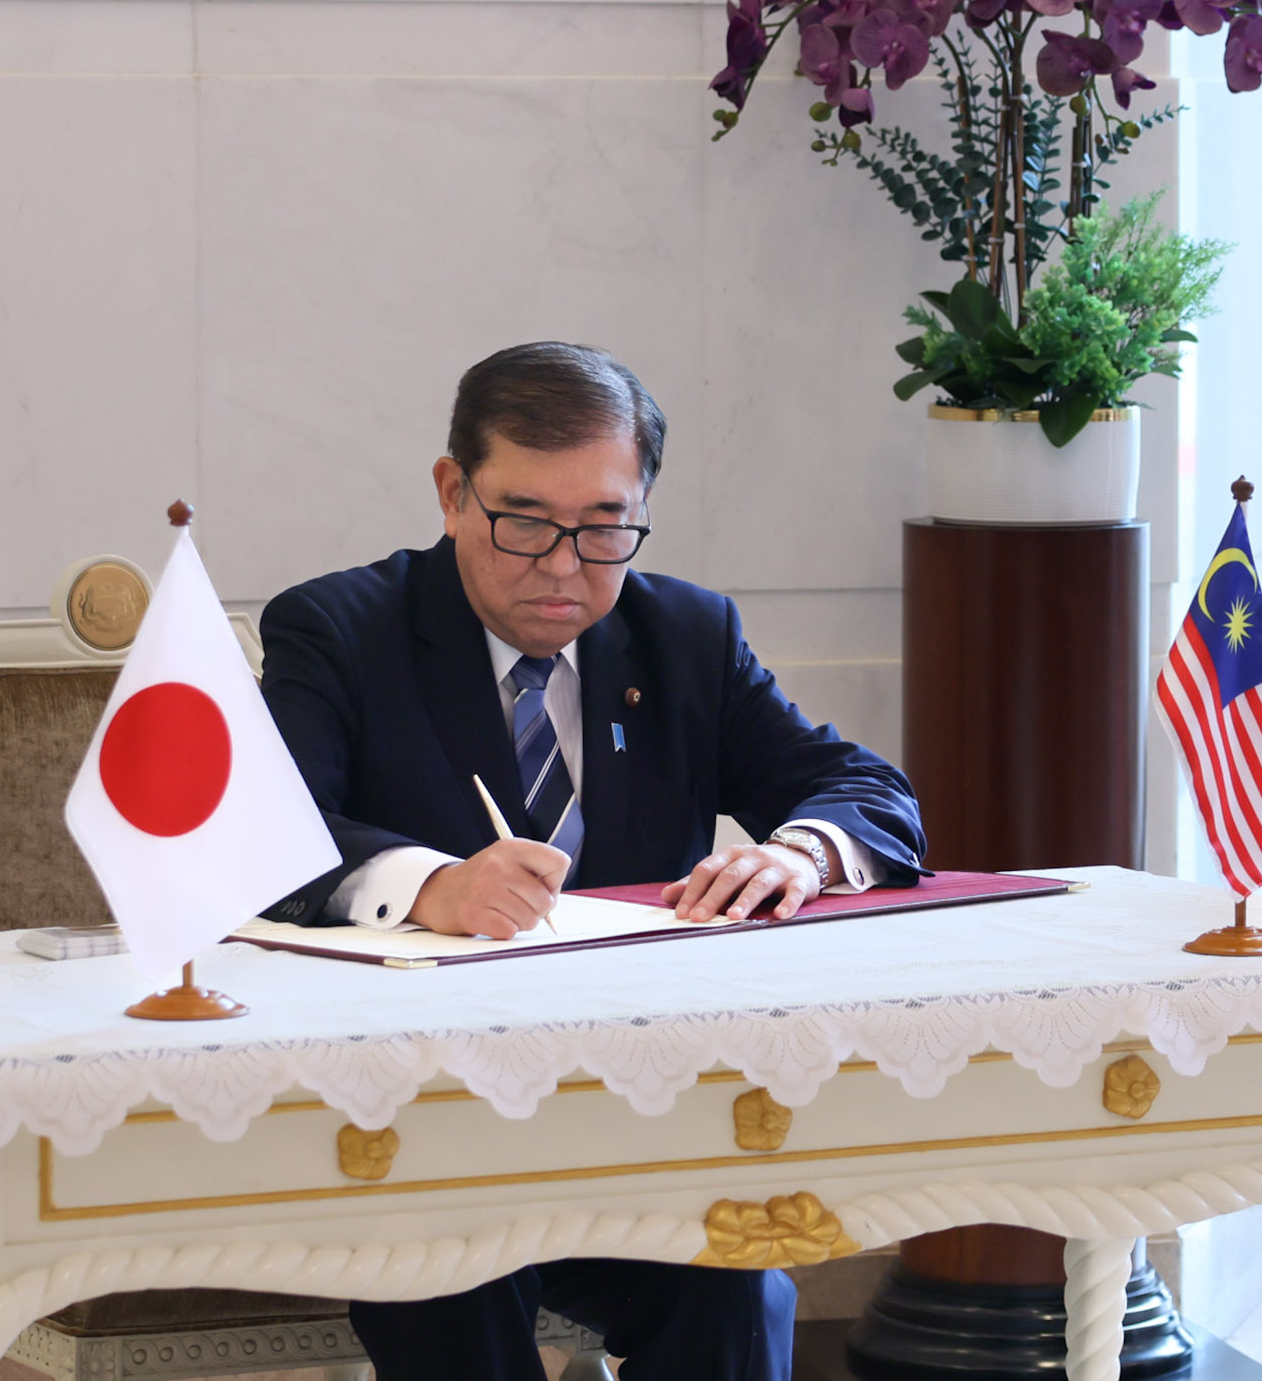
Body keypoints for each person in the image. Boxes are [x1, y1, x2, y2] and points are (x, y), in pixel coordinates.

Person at [258, 340, 927, 1381]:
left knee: (739, 1284)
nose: (564, 566)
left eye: (605, 527)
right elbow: (269, 838)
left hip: (638, 1127)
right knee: (448, 1282)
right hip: (417, 1133)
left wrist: (800, 851)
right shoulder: (342, 629)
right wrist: (430, 886)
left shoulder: (684, 636)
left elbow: (868, 792)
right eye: (523, 522)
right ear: (451, 492)